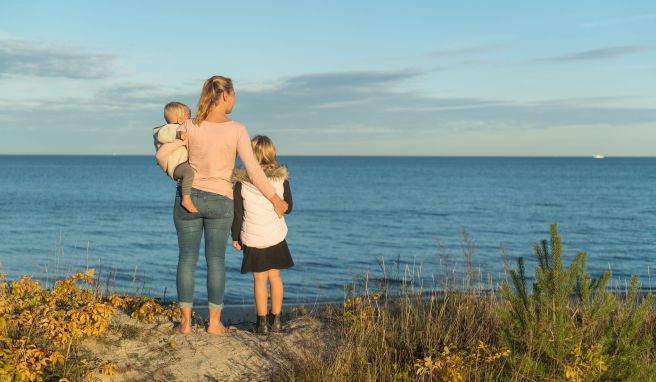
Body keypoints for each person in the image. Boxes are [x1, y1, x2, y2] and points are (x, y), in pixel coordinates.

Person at [155, 76, 288, 335]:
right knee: (215, 261)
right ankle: (214, 324)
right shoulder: (237, 129)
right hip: (220, 201)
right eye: (234, 94)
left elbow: (161, 155)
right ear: (225, 95)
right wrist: (275, 199)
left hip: (188, 197)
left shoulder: (190, 125)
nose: (235, 99)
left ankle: (185, 324)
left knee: (186, 260)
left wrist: (176, 175)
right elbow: (254, 171)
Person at [231, 135, 294, 334]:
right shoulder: (280, 179)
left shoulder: (242, 183)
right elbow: (289, 207)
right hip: (275, 235)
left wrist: (235, 236)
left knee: (259, 280)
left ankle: (261, 324)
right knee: (275, 277)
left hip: (254, 236)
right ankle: (276, 321)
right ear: (272, 153)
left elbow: (238, 213)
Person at [153, 102, 198, 213]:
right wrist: (177, 134)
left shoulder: (178, 127)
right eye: (188, 116)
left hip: (180, 163)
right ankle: (186, 199)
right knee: (189, 173)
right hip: (176, 165)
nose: (190, 118)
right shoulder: (168, 129)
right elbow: (162, 136)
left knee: (191, 171)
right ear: (180, 119)